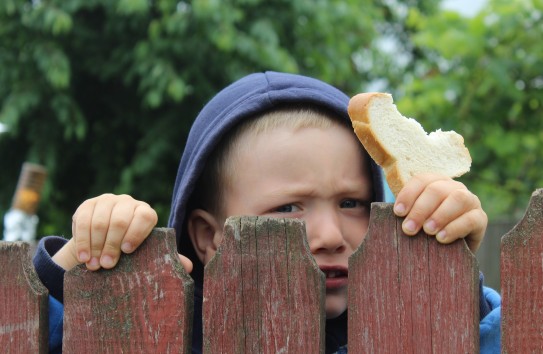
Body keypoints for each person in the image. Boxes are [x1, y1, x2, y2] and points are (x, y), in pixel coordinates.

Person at [33, 71, 501, 353]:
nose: (329, 234)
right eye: (288, 208)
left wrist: (452, 283)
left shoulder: (403, 327)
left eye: (352, 203)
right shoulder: (158, 331)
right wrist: (78, 268)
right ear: (208, 237)